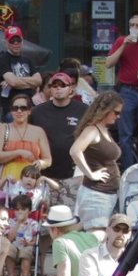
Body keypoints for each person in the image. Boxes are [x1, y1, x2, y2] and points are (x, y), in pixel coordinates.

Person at [99, 12, 138, 167]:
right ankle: (127, 171)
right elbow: (108, 63)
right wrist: (123, 46)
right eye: (132, 25)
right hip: (127, 91)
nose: (134, 28)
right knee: (125, 134)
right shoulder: (121, 41)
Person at [70, 91, 123, 230]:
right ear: (106, 110)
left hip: (107, 194)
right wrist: (91, 174)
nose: (118, 117)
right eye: (116, 112)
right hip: (96, 195)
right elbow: (75, 151)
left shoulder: (103, 130)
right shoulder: (92, 130)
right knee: (95, 237)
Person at [32, 71, 87, 206]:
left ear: (70, 89)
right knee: (45, 214)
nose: (58, 88)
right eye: (54, 85)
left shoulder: (83, 110)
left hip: (73, 173)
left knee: (69, 213)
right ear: (49, 89)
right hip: (45, 174)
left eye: (62, 85)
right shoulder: (38, 111)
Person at [0, 24, 43, 98]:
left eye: (18, 40)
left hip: (28, 104)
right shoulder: (2, 59)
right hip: (11, 105)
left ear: (22, 41)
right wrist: (31, 82)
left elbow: (39, 81)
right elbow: (13, 82)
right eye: (12, 40)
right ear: (6, 42)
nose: (15, 43)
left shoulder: (27, 59)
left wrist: (16, 81)